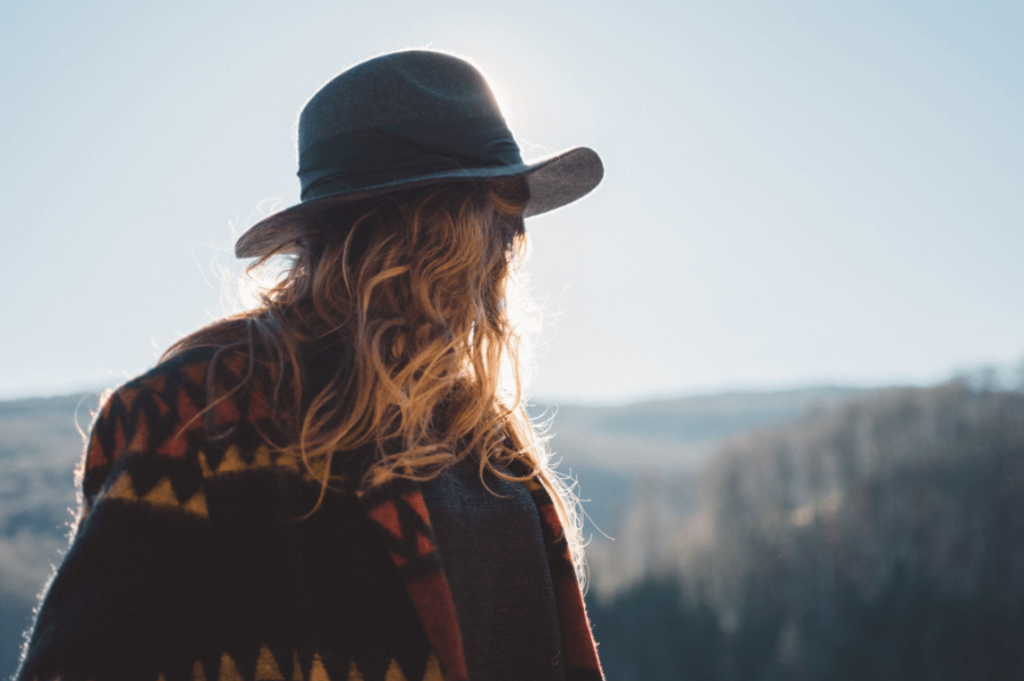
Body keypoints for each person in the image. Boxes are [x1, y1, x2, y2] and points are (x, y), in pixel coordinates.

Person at [17, 50, 604, 681]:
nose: (512, 247)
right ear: (425, 233)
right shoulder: (197, 422)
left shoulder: (492, 456)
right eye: (498, 216)